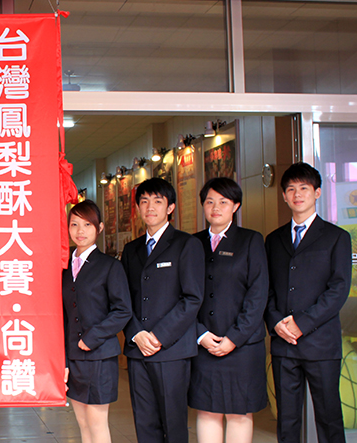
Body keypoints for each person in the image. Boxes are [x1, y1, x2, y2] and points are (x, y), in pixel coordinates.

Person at [265, 163, 352, 443]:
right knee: (287, 420)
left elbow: (338, 289)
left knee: (328, 418)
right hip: (283, 344)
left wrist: (302, 324)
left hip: (321, 344)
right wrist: (276, 323)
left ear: (317, 192)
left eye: (304, 188)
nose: (297, 194)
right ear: (284, 196)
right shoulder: (273, 240)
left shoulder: (337, 237)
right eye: (291, 189)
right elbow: (266, 289)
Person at [120, 177, 204, 443]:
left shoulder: (186, 244)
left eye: (157, 201)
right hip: (138, 349)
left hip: (171, 350)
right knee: (144, 422)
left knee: (173, 422)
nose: (150, 207)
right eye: (144, 201)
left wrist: (158, 336)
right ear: (138, 208)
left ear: (170, 207)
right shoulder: (131, 249)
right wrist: (136, 334)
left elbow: (192, 298)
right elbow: (123, 300)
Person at [190, 178, 268, 443]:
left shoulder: (250, 240)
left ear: (235, 206)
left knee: (239, 413)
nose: (215, 208)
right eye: (209, 201)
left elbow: (258, 294)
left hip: (243, 346)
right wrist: (200, 334)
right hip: (204, 344)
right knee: (207, 410)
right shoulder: (193, 243)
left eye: (223, 202)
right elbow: (182, 294)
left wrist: (234, 338)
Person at [62, 200, 132, 443]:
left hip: (99, 355)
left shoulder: (110, 266)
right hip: (73, 357)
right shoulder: (63, 266)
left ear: (100, 228)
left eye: (87, 225)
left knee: (97, 422)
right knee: (82, 422)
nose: (80, 231)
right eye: (74, 224)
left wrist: (92, 337)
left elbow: (122, 311)